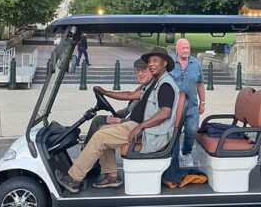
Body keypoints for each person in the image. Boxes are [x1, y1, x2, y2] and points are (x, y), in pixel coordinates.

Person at [55, 46, 179, 193]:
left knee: (100, 137)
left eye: (155, 60)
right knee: (102, 130)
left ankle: (74, 178)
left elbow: (165, 113)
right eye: (150, 61)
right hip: (140, 127)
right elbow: (129, 95)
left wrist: (140, 127)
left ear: (164, 63)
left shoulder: (165, 85)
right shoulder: (154, 84)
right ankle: (112, 177)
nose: (151, 64)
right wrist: (105, 92)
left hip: (149, 133)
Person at [84, 58, 153, 143]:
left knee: (101, 133)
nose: (140, 74)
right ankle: (88, 149)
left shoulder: (151, 89)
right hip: (128, 122)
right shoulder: (143, 87)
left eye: (143, 70)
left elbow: (130, 96)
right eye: (138, 71)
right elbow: (129, 109)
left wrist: (105, 92)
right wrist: (116, 114)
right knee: (98, 120)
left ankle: (88, 153)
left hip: (135, 128)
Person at [169, 38, 205, 167]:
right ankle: (174, 159)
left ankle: (186, 152)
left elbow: (200, 84)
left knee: (191, 131)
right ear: (177, 49)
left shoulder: (196, 64)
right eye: (183, 48)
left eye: (187, 48)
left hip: (191, 106)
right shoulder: (169, 63)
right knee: (175, 132)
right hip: (175, 106)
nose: (186, 50)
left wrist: (203, 102)